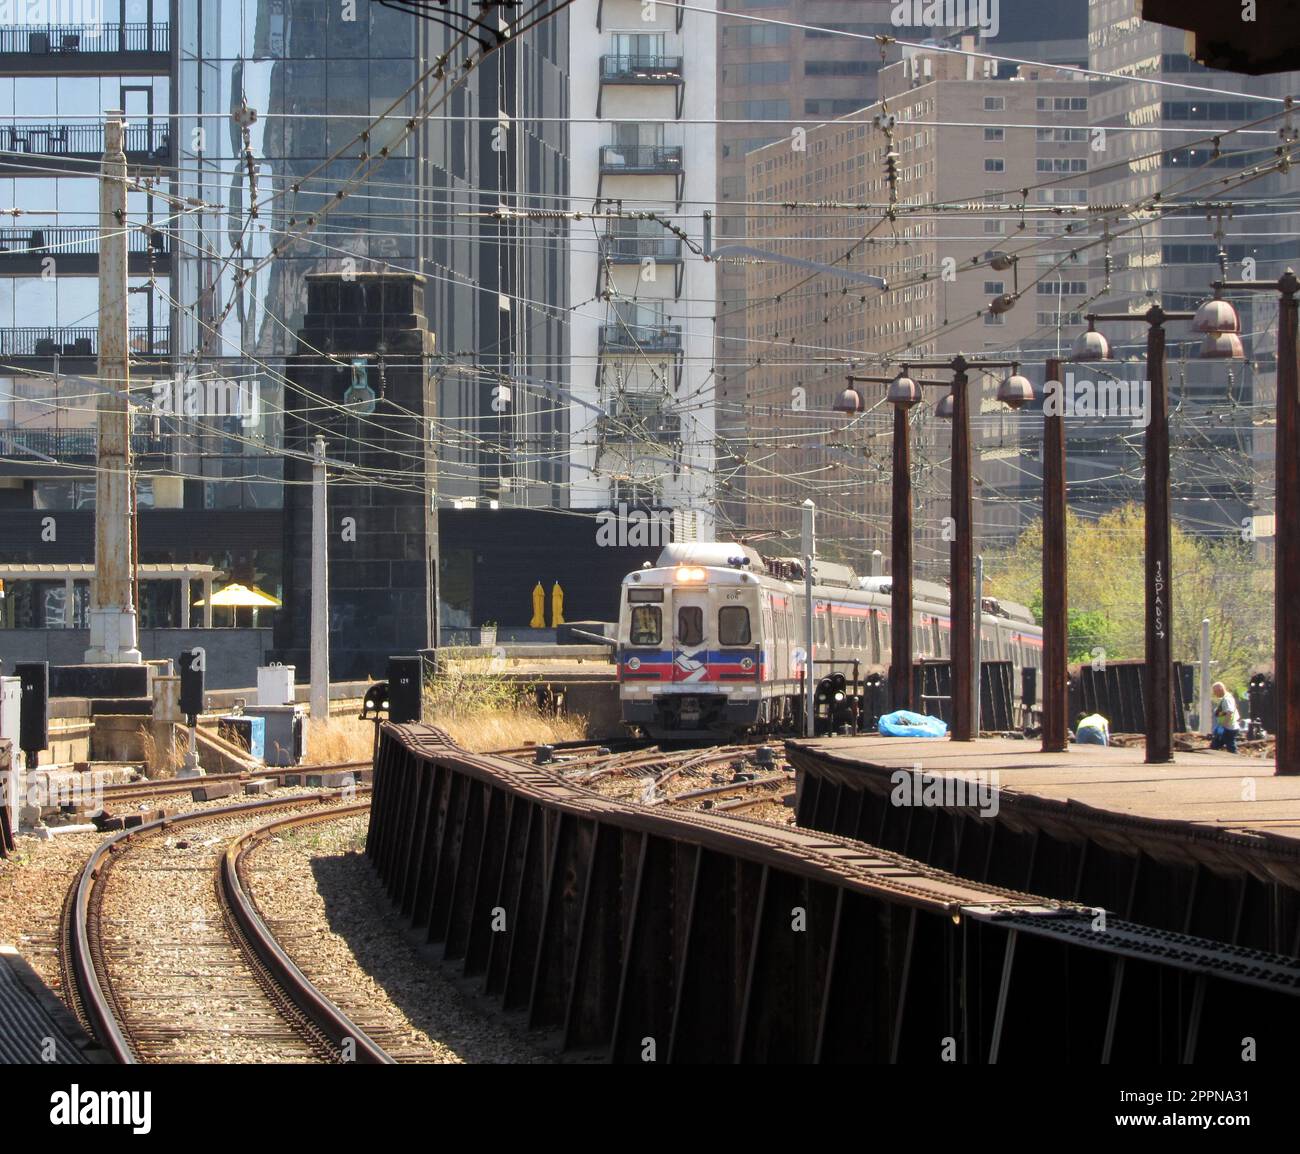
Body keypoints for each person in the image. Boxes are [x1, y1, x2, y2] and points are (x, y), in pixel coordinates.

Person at [1210, 682, 1241, 753]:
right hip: (1227, 727)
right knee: (1215, 746)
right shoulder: (1225, 698)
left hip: (1228, 728)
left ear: (1220, 690)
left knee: (1231, 748)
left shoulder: (1227, 699)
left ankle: (1239, 760)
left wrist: (1223, 725)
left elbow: (1230, 712)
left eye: (1215, 691)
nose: (1214, 693)